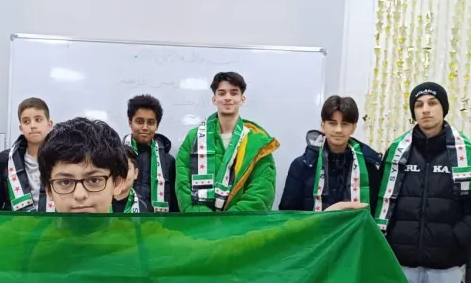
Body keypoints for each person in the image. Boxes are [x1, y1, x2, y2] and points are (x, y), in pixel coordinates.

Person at [376, 82, 471, 283]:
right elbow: (379, 201)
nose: (425, 110)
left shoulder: (468, 154)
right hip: (401, 265)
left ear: (444, 108)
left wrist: (456, 238)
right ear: (413, 112)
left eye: (432, 103)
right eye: (419, 105)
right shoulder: (395, 153)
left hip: (447, 267)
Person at [175, 72, 278, 212]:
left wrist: (229, 221)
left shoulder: (258, 142)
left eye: (234, 93)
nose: (228, 98)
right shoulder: (194, 138)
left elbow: (261, 191)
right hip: (200, 223)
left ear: (242, 99)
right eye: (222, 93)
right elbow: (183, 184)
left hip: (241, 223)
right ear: (214, 99)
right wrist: (204, 218)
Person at [279, 96, 382, 214]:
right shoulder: (302, 165)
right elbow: (287, 214)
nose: (338, 130)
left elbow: (374, 213)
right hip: (313, 226)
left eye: (345, 124)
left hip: (354, 227)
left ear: (353, 128)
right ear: (323, 125)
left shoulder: (369, 167)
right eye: (332, 123)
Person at [37, 117, 128, 214]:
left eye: (94, 180)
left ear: (117, 183)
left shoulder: (135, 225)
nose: (79, 195)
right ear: (49, 190)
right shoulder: (29, 225)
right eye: (65, 182)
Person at [0, 97, 54, 211]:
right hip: (15, 222)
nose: (32, 125)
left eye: (38, 119)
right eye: (26, 121)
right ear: (21, 128)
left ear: (49, 124)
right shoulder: (5, 159)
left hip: (54, 222)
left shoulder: (63, 159)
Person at [125, 95, 178, 212]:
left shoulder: (168, 161)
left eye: (150, 122)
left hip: (158, 221)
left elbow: (174, 203)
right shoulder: (117, 157)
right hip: (122, 220)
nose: (145, 127)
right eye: (139, 122)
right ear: (130, 122)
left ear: (157, 125)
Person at [112, 145, 145, 213]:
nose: (120, 174)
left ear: (135, 173)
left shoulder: (145, 208)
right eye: (116, 167)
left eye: (126, 168)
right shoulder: (94, 205)